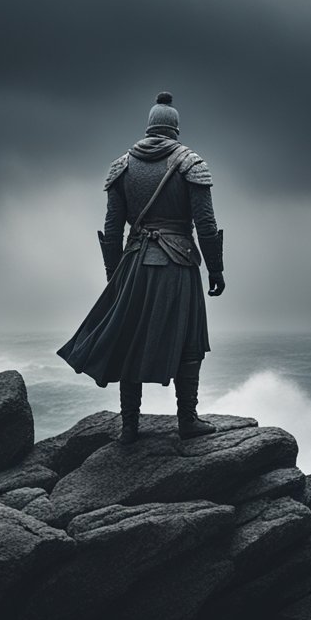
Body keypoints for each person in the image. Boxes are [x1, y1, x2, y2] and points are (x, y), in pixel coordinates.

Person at [57, 91, 226, 444]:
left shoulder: (122, 166)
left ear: (149, 127)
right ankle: (186, 421)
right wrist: (216, 269)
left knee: (129, 337)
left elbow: (113, 227)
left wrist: (113, 275)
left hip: (133, 264)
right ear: (175, 129)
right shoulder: (191, 163)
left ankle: (130, 427)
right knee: (189, 341)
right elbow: (206, 225)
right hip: (178, 262)